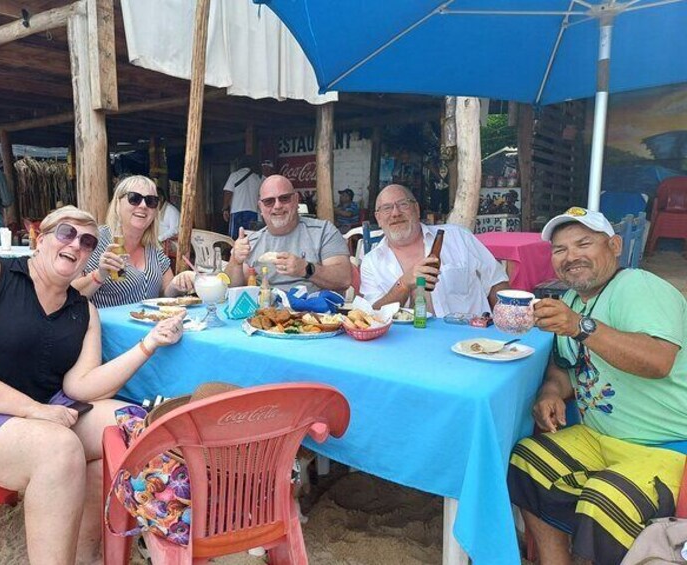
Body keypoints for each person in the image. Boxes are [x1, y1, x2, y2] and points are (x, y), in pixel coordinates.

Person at [0, 206, 186, 563]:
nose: (76, 244)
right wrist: (33, 411)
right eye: (66, 233)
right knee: (58, 449)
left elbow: (82, 387)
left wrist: (149, 344)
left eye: (88, 240)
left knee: (130, 422)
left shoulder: (83, 310)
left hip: (32, 417)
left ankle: (84, 555)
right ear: (40, 238)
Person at [508, 206, 687, 565]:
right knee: (526, 462)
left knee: (601, 501)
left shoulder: (638, 286)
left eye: (583, 243)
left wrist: (581, 327)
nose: (571, 256)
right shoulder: (573, 300)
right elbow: (565, 366)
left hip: (664, 445)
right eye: (560, 250)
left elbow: (658, 360)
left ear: (615, 246)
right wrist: (551, 393)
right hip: (597, 438)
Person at [360, 184, 508, 316]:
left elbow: (497, 282)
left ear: (416, 209)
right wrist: (403, 285)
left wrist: (504, 329)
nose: (395, 213)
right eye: (387, 208)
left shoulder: (458, 237)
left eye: (403, 204)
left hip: (469, 339)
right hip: (405, 344)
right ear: (378, 218)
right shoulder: (371, 263)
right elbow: (374, 314)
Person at [73, 175, 194, 308]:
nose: (143, 206)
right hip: (104, 327)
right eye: (134, 198)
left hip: (148, 328)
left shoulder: (154, 249)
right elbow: (68, 296)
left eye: (151, 201)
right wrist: (99, 275)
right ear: (118, 204)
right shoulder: (94, 241)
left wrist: (178, 283)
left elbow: (164, 295)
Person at [226, 175, 351, 294]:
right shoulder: (251, 242)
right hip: (266, 311)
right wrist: (235, 261)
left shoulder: (323, 231)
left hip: (313, 313)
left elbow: (344, 279)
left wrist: (307, 269)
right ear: (260, 208)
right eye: (269, 201)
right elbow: (231, 288)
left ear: (296, 200)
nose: (277, 206)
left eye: (284, 198)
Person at [222, 156, 263, 239]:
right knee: (251, 238)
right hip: (253, 212)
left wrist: (225, 208)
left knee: (235, 239)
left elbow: (228, 192)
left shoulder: (234, 175)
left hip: (237, 211)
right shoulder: (257, 178)